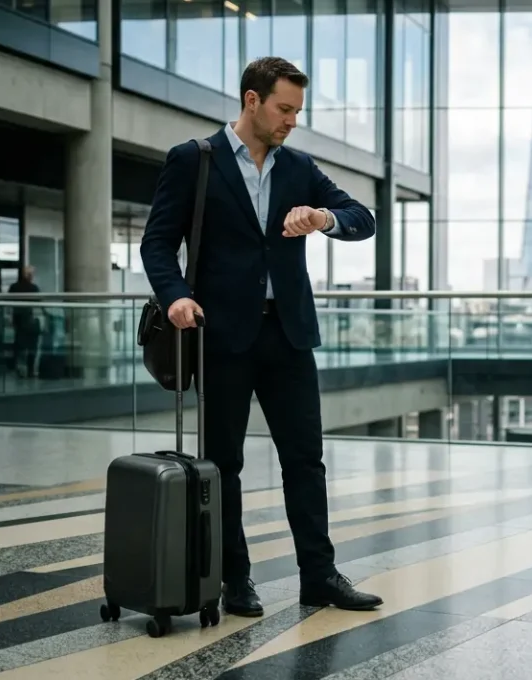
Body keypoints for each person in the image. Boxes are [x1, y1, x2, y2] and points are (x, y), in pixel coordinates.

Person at [140, 56, 382, 616]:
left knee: (305, 460)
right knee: (224, 463)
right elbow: (157, 243)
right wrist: (175, 295)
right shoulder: (193, 160)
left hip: (289, 336)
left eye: (298, 110)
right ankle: (235, 580)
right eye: (284, 108)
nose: (292, 120)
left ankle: (319, 576)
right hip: (220, 336)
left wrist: (323, 218)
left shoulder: (298, 166)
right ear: (252, 100)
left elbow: (362, 217)